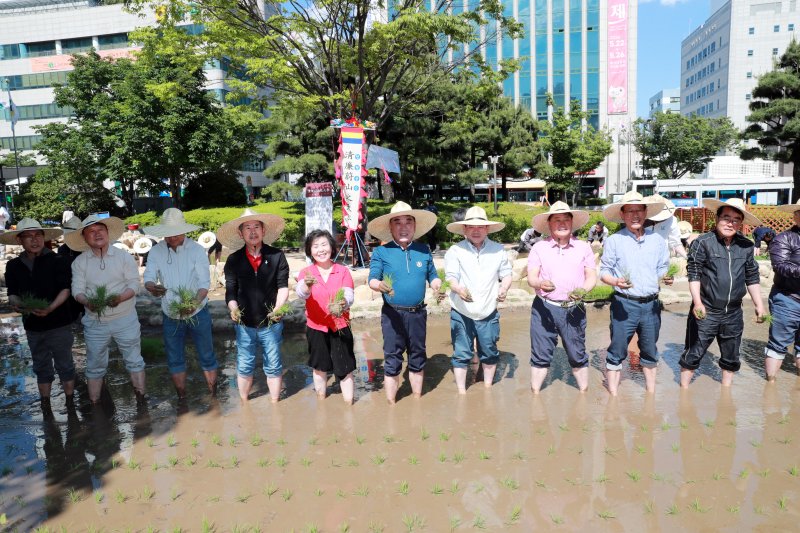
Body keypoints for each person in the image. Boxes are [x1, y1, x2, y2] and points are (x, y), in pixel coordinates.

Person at [680, 198, 765, 388]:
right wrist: (698, 302)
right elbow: (693, 273)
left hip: (733, 313)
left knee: (731, 356)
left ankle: (726, 394)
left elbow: (752, 277)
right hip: (707, 309)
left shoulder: (746, 246)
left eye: (736, 219)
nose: (730, 222)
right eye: (726, 217)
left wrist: (760, 305)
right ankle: (683, 393)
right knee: (693, 352)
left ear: (741, 223)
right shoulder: (703, 243)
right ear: (717, 218)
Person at [66, 214, 146, 405]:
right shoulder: (79, 262)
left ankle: (142, 401)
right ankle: (95, 405)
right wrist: (87, 302)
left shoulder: (123, 257)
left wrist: (120, 298)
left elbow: (134, 285)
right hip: (95, 321)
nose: (97, 234)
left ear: (107, 233)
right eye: (91, 232)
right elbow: (77, 290)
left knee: (134, 361)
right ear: (85, 238)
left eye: (100, 230)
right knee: (94, 365)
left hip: (125, 318)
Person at [367, 201, 441, 404]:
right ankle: (392, 404)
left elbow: (432, 275)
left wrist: (437, 284)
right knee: (392, 358)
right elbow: (372, 277)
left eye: (408, 221)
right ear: (390, 227)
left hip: (418, 313)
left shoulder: (423, 250)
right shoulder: (382, 252)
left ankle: (416, 401)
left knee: (417, 355)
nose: (403, 226)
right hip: (392, 314)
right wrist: (378, 284)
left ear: (415, 226)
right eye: (397, 222)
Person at [143, 208, 218, 400]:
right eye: (167, 234)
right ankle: (182, 400)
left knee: (207, 356)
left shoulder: (196, 250)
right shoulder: (156, 251)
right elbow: (149, 277)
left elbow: (204, 284)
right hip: (171, 313)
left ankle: (214, 396)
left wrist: (194, 303)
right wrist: (152, 287)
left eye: (175, 232)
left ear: (184, 230)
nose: (171, 237)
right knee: (174, 359)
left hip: (198, 311)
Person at [599, 192, 669, 395]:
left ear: (646, 212)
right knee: (617, 349)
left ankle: (650, 394)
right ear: (622, 214)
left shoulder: (657, 240)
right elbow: (604, 271)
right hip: (624, 304)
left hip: (651, 306)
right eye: (630, 211)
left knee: (649, 349)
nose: (635, 215)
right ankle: (613, 395)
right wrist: (615, 281)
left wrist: (666, 277)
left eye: (639, 210)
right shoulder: (614, 241)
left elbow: (663, 267)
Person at [3, 219, 76, 409]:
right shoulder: (13, 265)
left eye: (38, 235)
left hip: (59, 323)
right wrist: (18, 305)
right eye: (28, 236)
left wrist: (50, 308)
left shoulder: (59, 261)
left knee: (65, 364)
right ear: (20, 240)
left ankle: (69, 403)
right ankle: (46, 405)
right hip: (32, 325)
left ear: (44, 238)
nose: (34, 240)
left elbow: (65, 290)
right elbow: (13, 293)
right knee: (41, 365)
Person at [219, 209, 289, 403]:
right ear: (240, 234)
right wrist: (233, 309)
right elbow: (230, 291)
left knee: (274, 365)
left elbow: (283, 287)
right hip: (244, 324)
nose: (252, 232)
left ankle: (275, 405)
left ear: (264, 230)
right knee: (244, 364)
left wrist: (278, 308)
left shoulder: (277, 256)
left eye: (256, 227)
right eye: (247, 228)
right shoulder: (234, 260)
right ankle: (244, 404)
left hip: (271, 322)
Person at [526, 202, 596, 393]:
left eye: (566, 219)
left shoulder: (583, 247)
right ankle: (535, 396)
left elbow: (591, 276)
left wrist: (583, 290)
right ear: (549, 224)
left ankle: (583, 394)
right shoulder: (539, 248)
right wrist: (540, 284)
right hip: (543, 308)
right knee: (540, 355)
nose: (562, 223)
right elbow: (532, 276)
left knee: (577, 354)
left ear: (572, 222)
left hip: (574, 308)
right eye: (557, 220)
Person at [445, 206, 512, 394]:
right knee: (461, 353)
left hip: (488, 310)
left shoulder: (498, 250)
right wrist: (457, 288)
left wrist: (504, 288)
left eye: (480, 226)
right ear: (464, 229)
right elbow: (450, 276)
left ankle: (488, 389)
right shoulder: (455, 250)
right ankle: (461, 392)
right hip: (461, 310)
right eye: (471, 226)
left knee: (489, 351)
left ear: (487, 229)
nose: (476, 230)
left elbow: (506, 274)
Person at [296, 229, 356, 403]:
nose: (321, 250)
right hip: (316, 327)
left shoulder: (342, 271)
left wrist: (343, 302)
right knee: (319, 366)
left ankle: (348, 406)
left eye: (324, 245)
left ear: (332, 247)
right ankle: (321, 401)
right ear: (309, 250)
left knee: (345, 368)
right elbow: (301, 293)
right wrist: (307, 285)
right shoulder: (306, 272)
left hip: (340, 326)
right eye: (315, 246)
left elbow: (349, 295)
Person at [764, 199, 800, 380]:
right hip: (788, 298)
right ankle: (769, 389)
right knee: (778, 344)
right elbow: (780, 266)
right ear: (796, 216)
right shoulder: (784, 238)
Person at [647, 194, 688, 259]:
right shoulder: (640, 221)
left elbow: (675, 242)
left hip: (662, 258)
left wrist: (687, 257)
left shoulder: (672, 220)